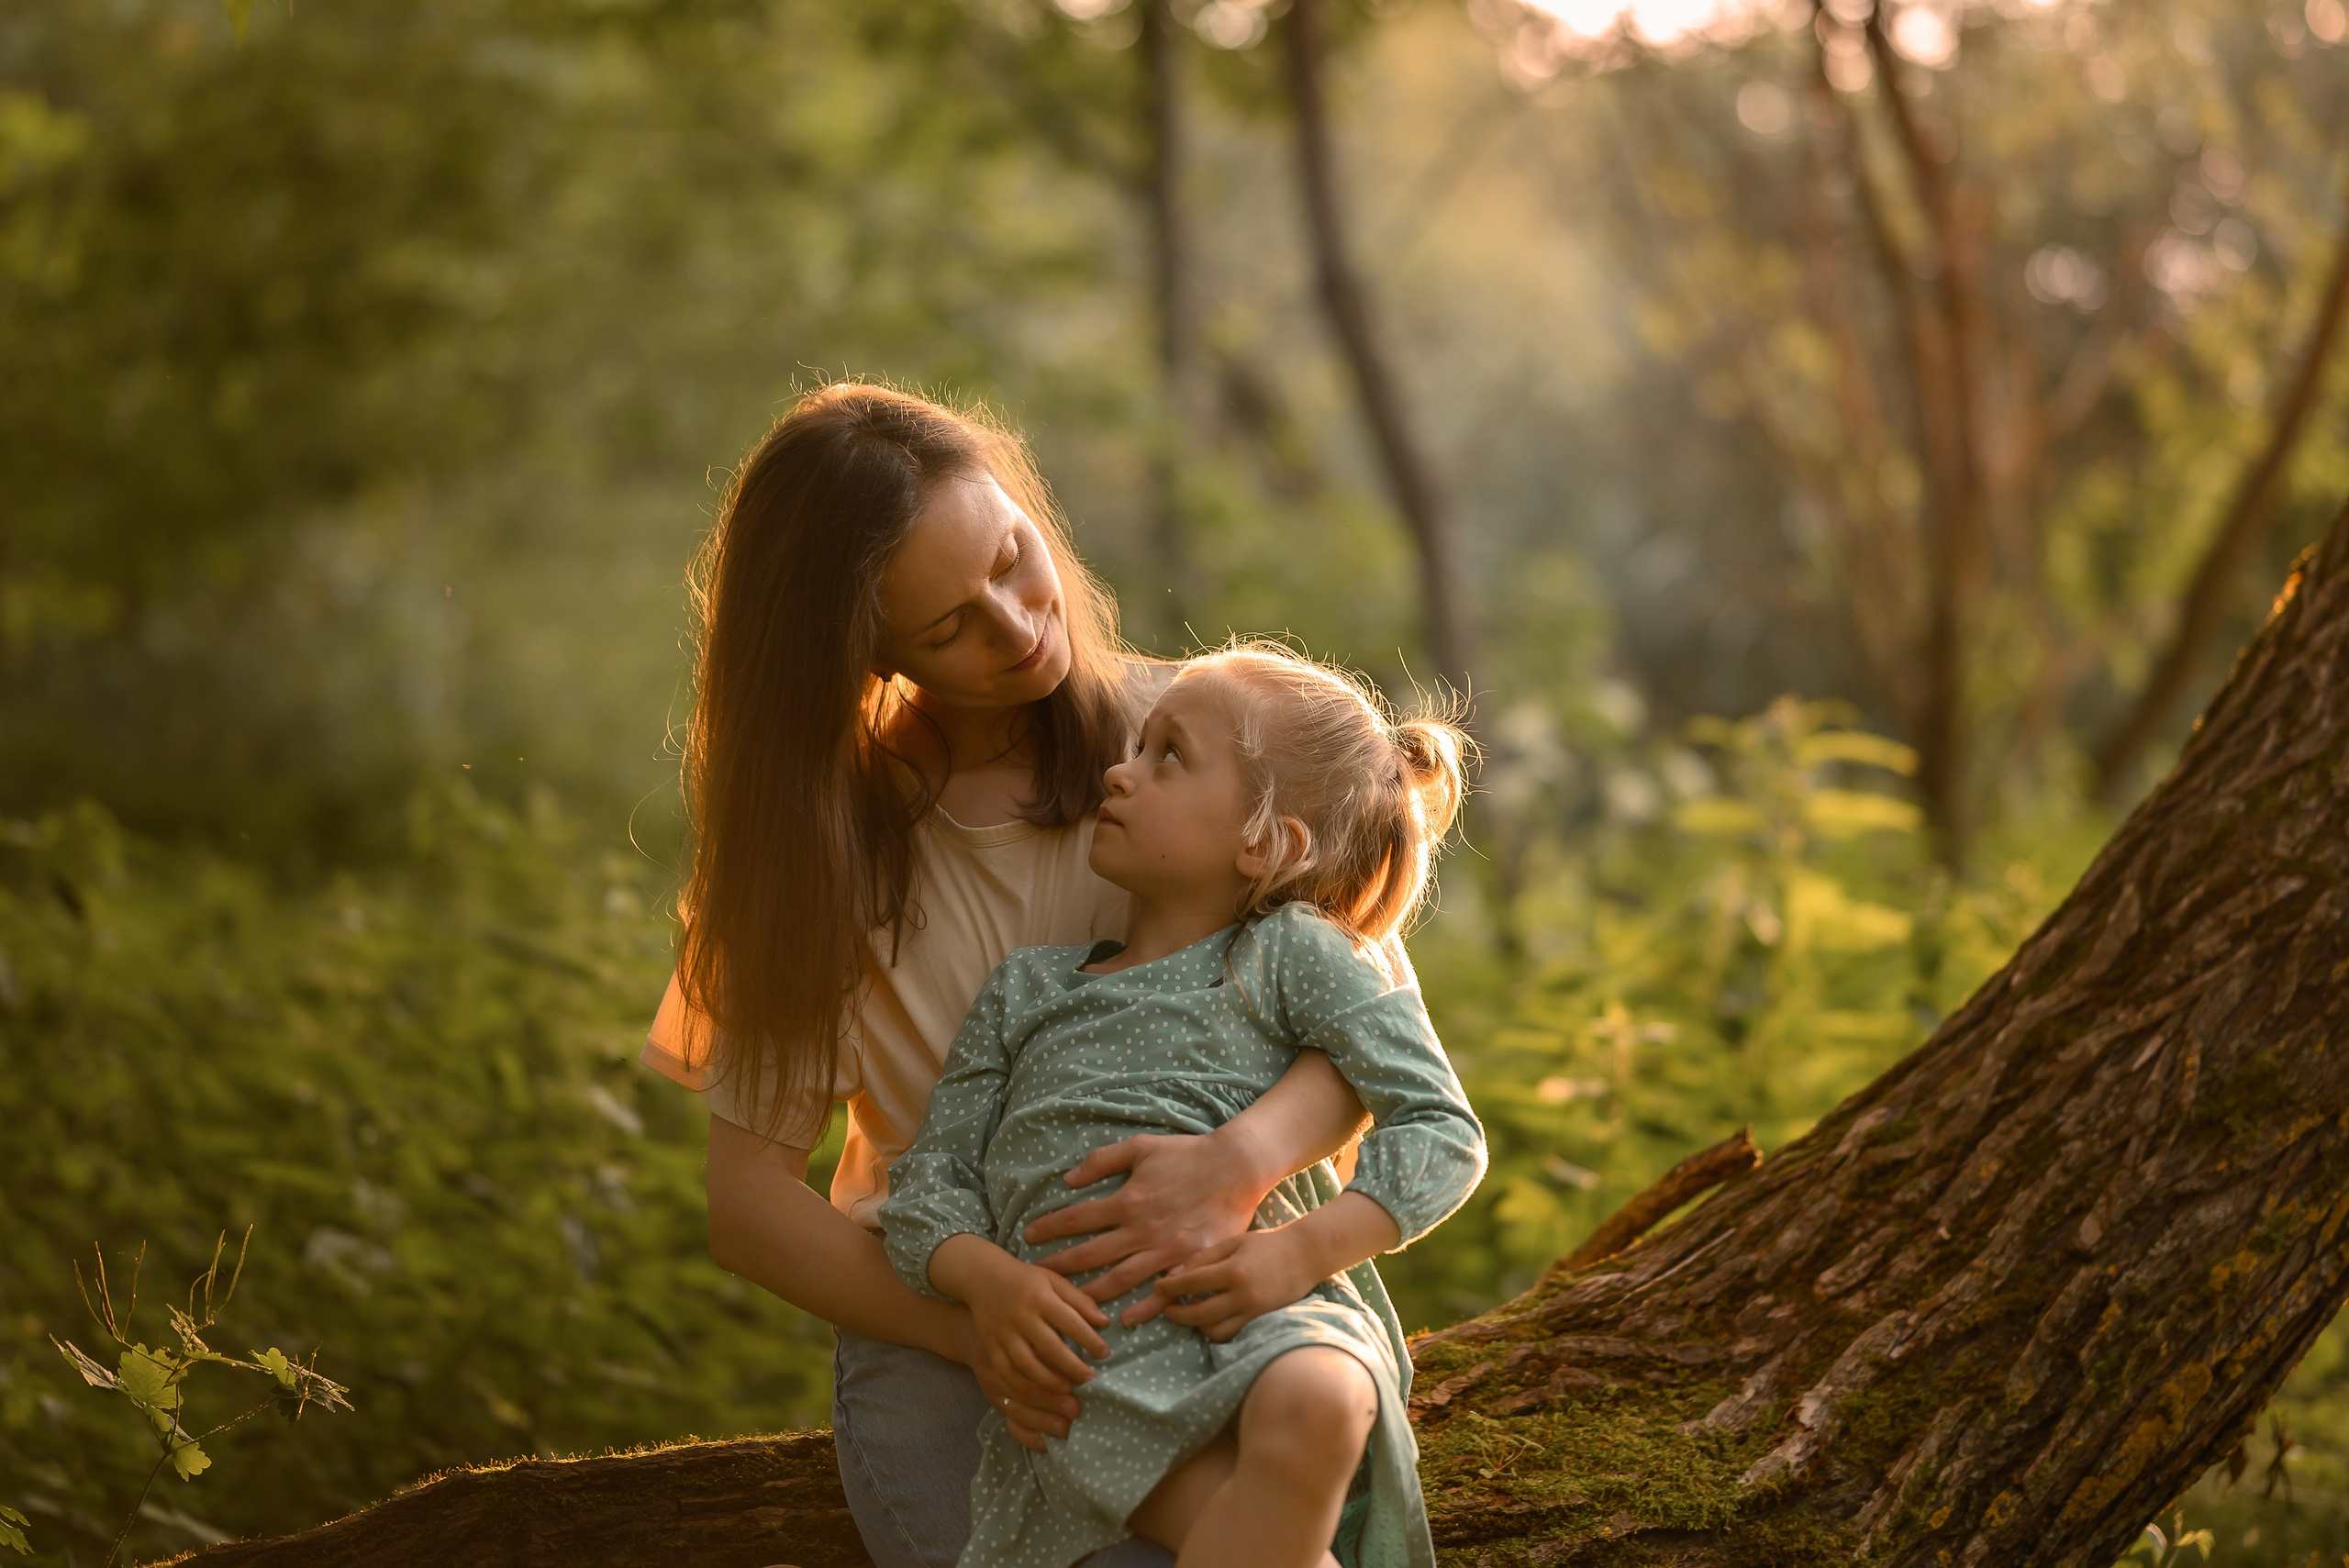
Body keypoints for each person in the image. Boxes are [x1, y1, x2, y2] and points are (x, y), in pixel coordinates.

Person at [639, 384, 1380, 1568]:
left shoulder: (1208, 729)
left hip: (1204, 1301)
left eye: (1010, 558)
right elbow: (751, 1204)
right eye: (947, 628)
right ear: (863, 654)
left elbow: (1365, 1038)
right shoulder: (816, 850)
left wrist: (1235, 1164)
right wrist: (975, 1317)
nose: (1016, 626)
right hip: (946, 1331)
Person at [879, 643, 1486, 1568]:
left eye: (1168, 755)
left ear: (1264, 841)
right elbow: (929, 1181)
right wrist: (985, 1280)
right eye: (1136, 746)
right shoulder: (1027, 991)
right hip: (1090, 1363)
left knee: (1321, 1400)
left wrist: (1295, 1255)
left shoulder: (1292, 955)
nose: (1118, 772)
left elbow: (1442, 1129)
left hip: (1264, 1311)